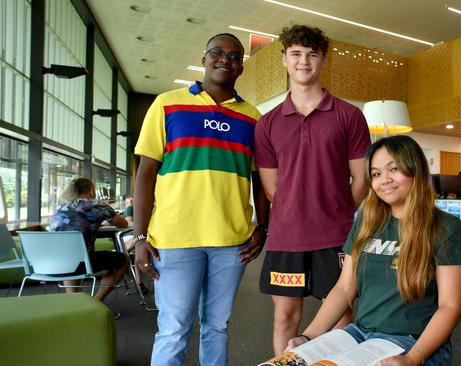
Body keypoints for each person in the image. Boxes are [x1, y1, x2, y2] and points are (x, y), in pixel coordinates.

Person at [133, 32, 270, 366]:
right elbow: (146, 172)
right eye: (217, 52)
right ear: (204, 58)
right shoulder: (167, 104)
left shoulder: (253, 118)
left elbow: (259, 179)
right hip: (176, 237)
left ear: (241, 67)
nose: (225, 59)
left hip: (231, 241)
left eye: (234, 56)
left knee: (217, 327)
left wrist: (263, 227)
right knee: (174, 329)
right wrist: (139, 236)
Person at [286, 135, 461, 366]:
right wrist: (308, 336)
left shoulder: (446, 228)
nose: (384, 180)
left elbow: (450, 307)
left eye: (393, 169)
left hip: (411, 342)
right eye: (376, 174)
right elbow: (344, 288)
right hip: (359, 335)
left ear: (415, 170)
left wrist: (413, 358)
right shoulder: (367, 221)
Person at [254, 24, 371, 355]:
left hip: (335, 238)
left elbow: (361, 179)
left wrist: (335, 210)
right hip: (286, 239)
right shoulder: (268, 123)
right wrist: (301, 210)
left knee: (341, 318)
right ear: (284, 60)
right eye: (296, 54)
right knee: (285, 318)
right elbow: (272, 188)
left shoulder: (349, 116)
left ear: (323, 61)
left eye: (311, 54)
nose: (303, 61)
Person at [50, 178, 129, 301]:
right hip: (82, 262)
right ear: (92, 189)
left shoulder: (61, 207)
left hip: (53, 261)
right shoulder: (98, 205)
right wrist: (105, 220)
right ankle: (96, 301)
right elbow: (123, 224)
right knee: (124, 259)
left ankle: (74, 302)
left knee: (71, 255)